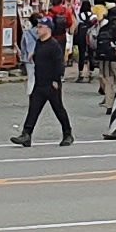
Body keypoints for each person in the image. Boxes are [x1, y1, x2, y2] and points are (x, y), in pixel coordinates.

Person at [16, 11, 75, 147]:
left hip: (51, 83)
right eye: (38, 27)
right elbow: (38, 57)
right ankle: (26, 134)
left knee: (58, 109)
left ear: (48, 29)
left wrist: (56, 80)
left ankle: (68, 133)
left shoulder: (54, 45)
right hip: (39, 82)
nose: (38, 29)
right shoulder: (38, 43)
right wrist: (32, 56)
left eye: (41, 27)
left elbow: (59, 64)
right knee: (33, 109)